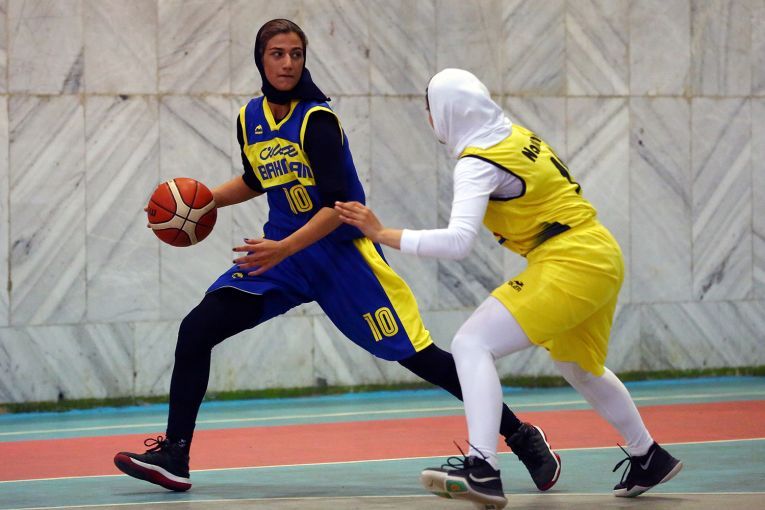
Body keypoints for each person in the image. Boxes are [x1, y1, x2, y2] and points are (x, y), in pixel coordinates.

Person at [113, 22, 560, 493]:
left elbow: (338, 205)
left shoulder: (317, 121)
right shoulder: (250, 118)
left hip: (340, 258)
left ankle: (521, 436)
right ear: (260, 59)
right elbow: (257, 178)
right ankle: (175, 455)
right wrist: (197, 203)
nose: (288, 63)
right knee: (196, 329)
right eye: (277, 54)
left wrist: (284, 248)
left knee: (420, 356)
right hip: (283, 257)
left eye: (296, 53)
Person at [336, 68, 683, 509]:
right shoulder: (514, 135)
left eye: (430, 110)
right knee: (578, 364)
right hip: (600, 252)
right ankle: (648, 455)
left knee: (470, 343)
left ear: (446, 112)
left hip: (571, 260)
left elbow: (459, 243)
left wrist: (382, 233)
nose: (430, 119)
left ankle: (482, 467)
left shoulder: (476, 162)